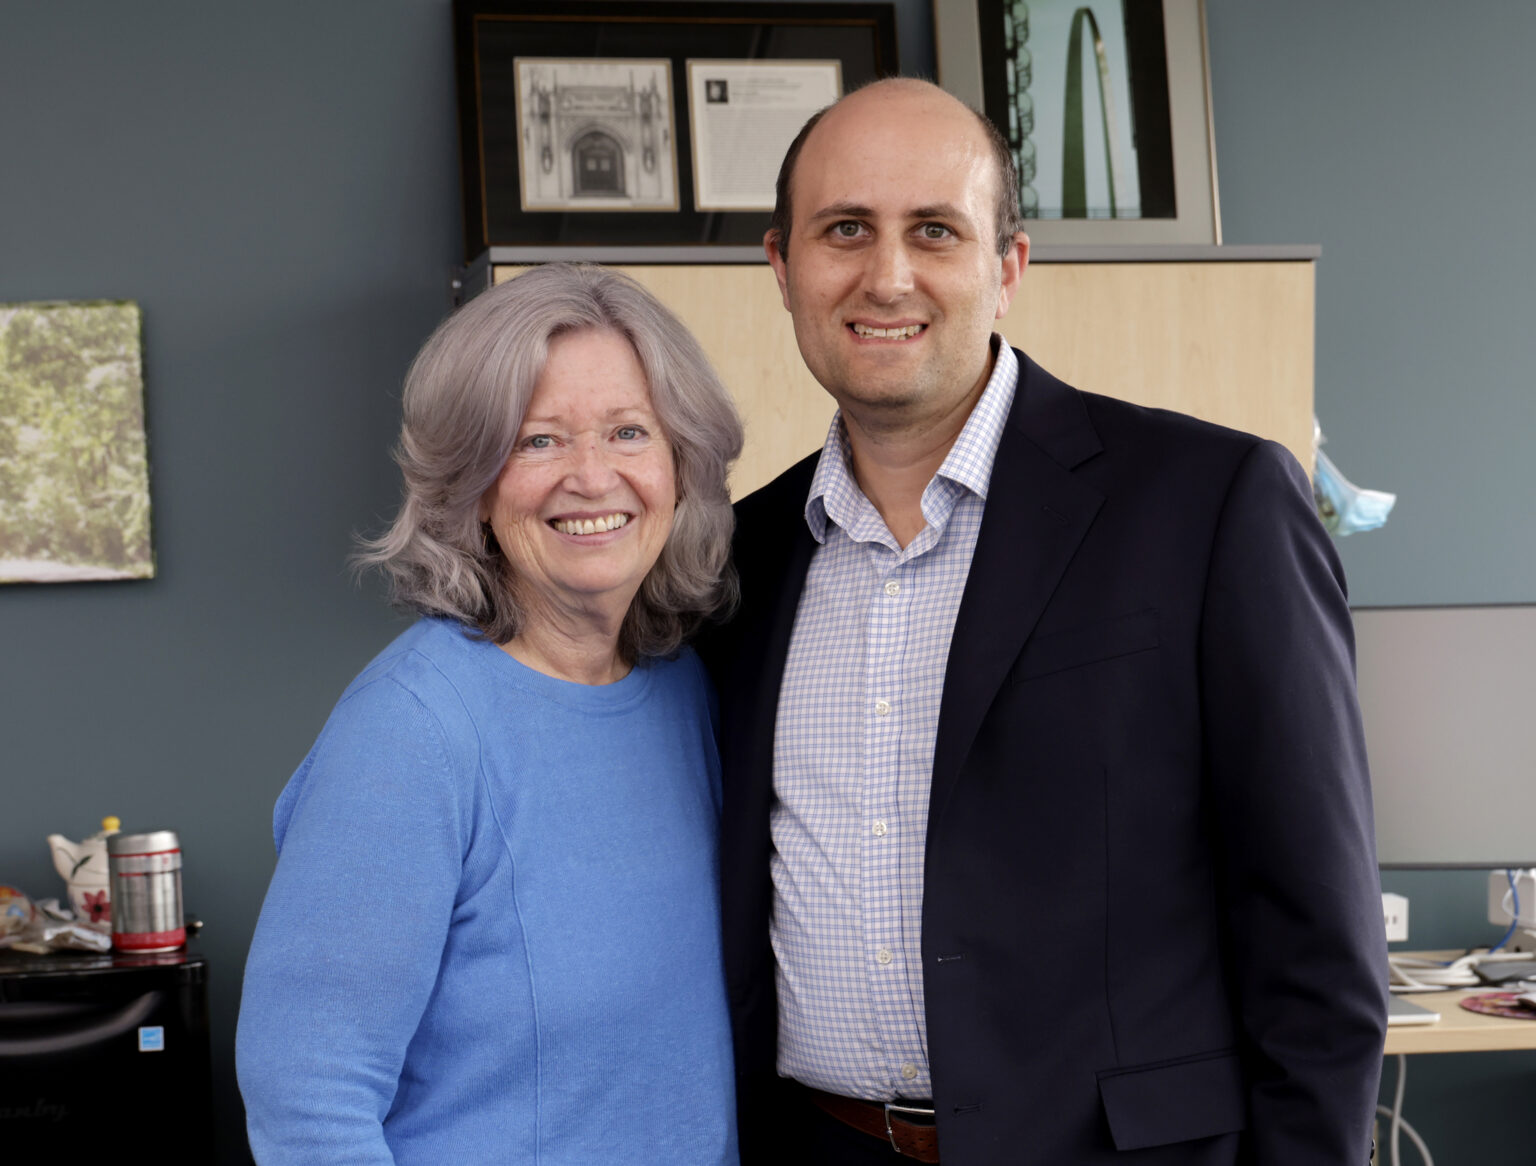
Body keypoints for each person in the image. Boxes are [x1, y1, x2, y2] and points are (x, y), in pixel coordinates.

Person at [700, 78, 1388, 1165]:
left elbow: (1320, 947)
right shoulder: (737, 560)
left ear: (1008, 267)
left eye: (936, 230)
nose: (888, 275)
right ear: (783, 267)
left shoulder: (1211, 505)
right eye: (845, 229)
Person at [237, 263, 743, 1165]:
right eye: (538, 441)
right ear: (471, 484)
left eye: (629, 431)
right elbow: (307, 1099)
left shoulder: (685, 692)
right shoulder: (410, 733)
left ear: (682, 465)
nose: (593, 477)